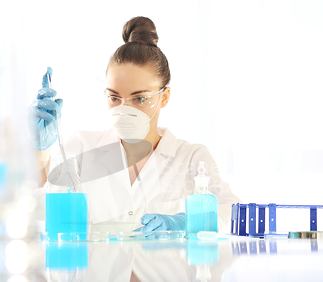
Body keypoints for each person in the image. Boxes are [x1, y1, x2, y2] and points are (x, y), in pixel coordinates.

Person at [29, 16, 239, 235]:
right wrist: (39, 150)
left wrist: (186, 221)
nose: (124, 109)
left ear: (164, 97)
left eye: (139, 99)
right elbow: (37, 204)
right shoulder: (82, 147)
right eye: (114, 97)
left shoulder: (191, 157)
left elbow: (232, 212)